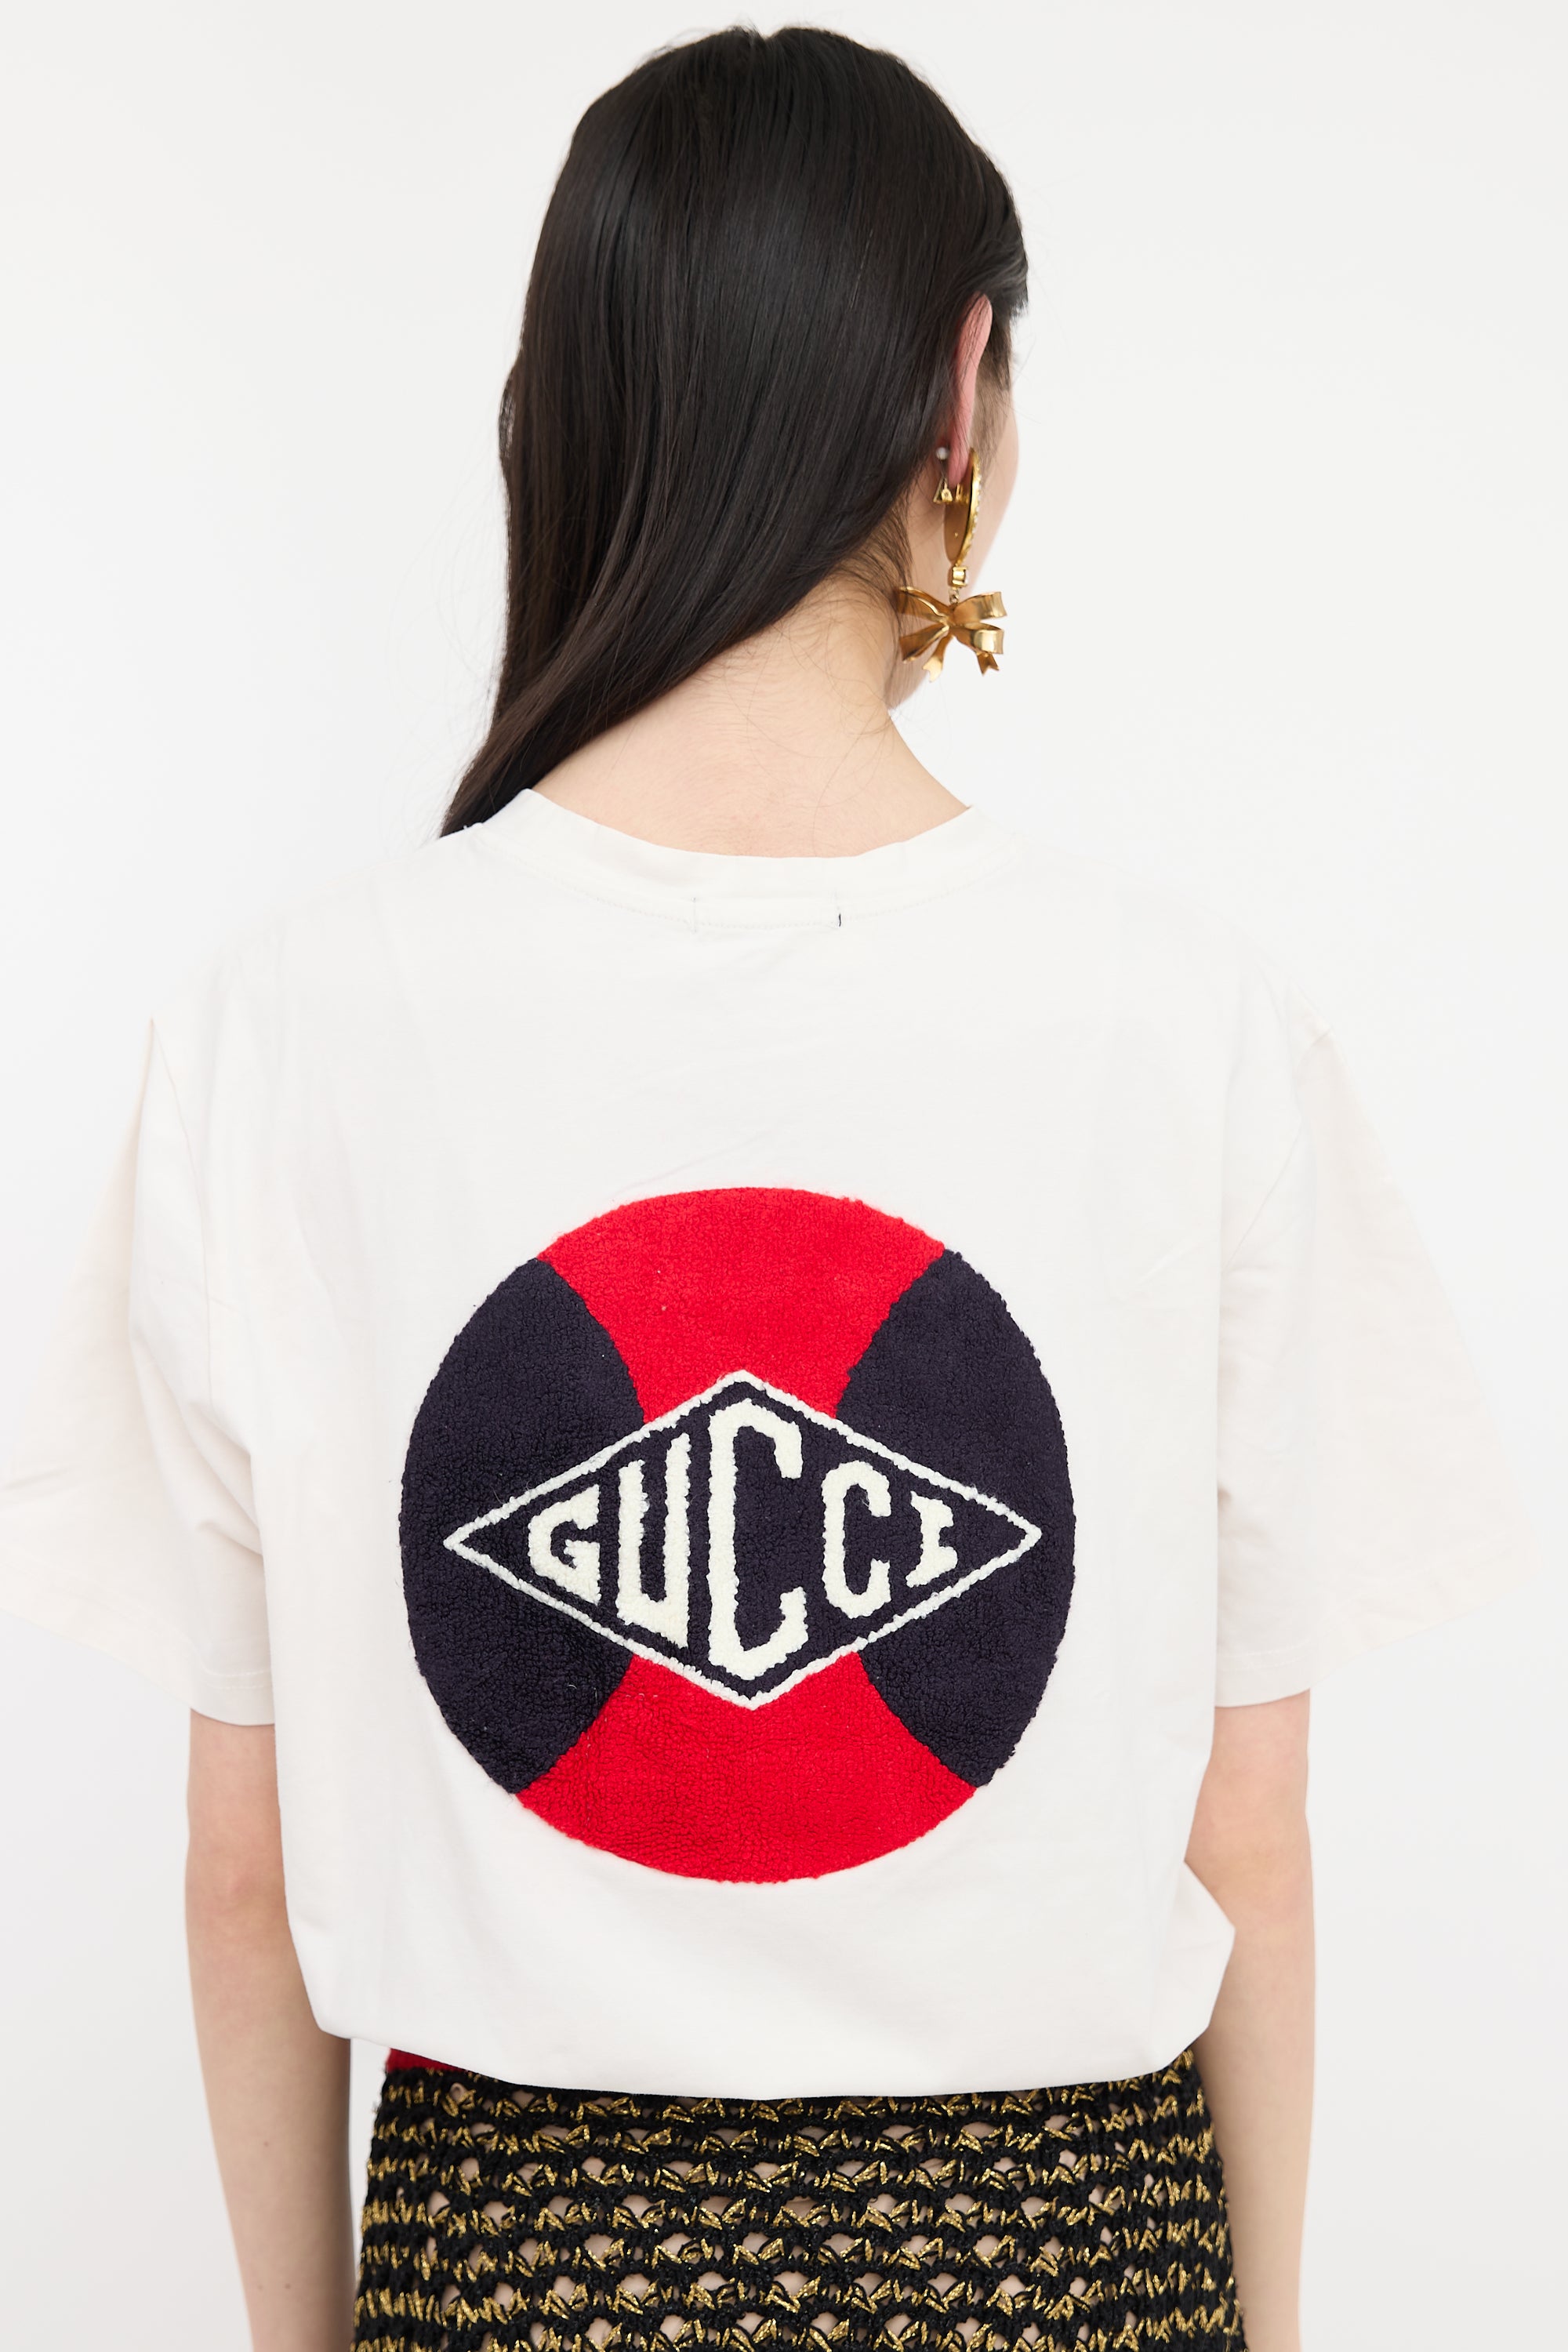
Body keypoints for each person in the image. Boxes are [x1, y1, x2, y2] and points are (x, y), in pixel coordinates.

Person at [0, 26, 1538, 2352]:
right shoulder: (1194, 1025)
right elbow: (1250, 1845)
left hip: (520, 2279)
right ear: (963, 385)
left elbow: (245, 1873)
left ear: (565, 407)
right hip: (1064, 2271)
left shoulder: (279, 1032)